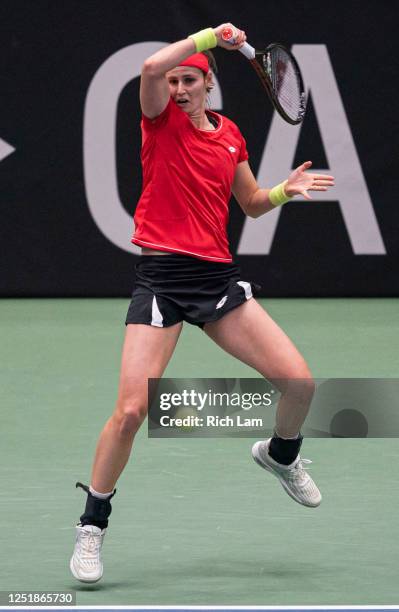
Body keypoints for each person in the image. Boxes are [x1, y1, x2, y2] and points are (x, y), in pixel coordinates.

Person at [70, 23, 335, 583]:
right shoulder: (158, 120)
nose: (179, 87)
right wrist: (210, 36)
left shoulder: (231, 134)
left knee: (300, 383)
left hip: (216, 279)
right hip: (162, 278)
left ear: (208, 85)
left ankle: (281, 456)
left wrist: (286, 189)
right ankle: (92, 525)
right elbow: (146, 70)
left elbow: (252, 203)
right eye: (174, 80)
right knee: (131, 412)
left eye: (189, 80)